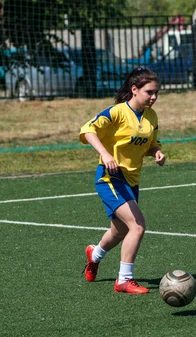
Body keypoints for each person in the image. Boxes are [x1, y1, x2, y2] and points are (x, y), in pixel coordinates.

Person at [80, 67, 166, 294]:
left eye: (156, 92)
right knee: (137, 226)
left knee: (119, 231)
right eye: (149, 92)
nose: (154, 97)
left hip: (132, 180)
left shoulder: (151, 116)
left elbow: (149, 144)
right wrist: (105, 154)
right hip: (110, 177)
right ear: (134, 89)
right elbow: (88, 130)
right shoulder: (117, 112)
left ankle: (95, 254)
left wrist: (156, 152)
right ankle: (123, 280)